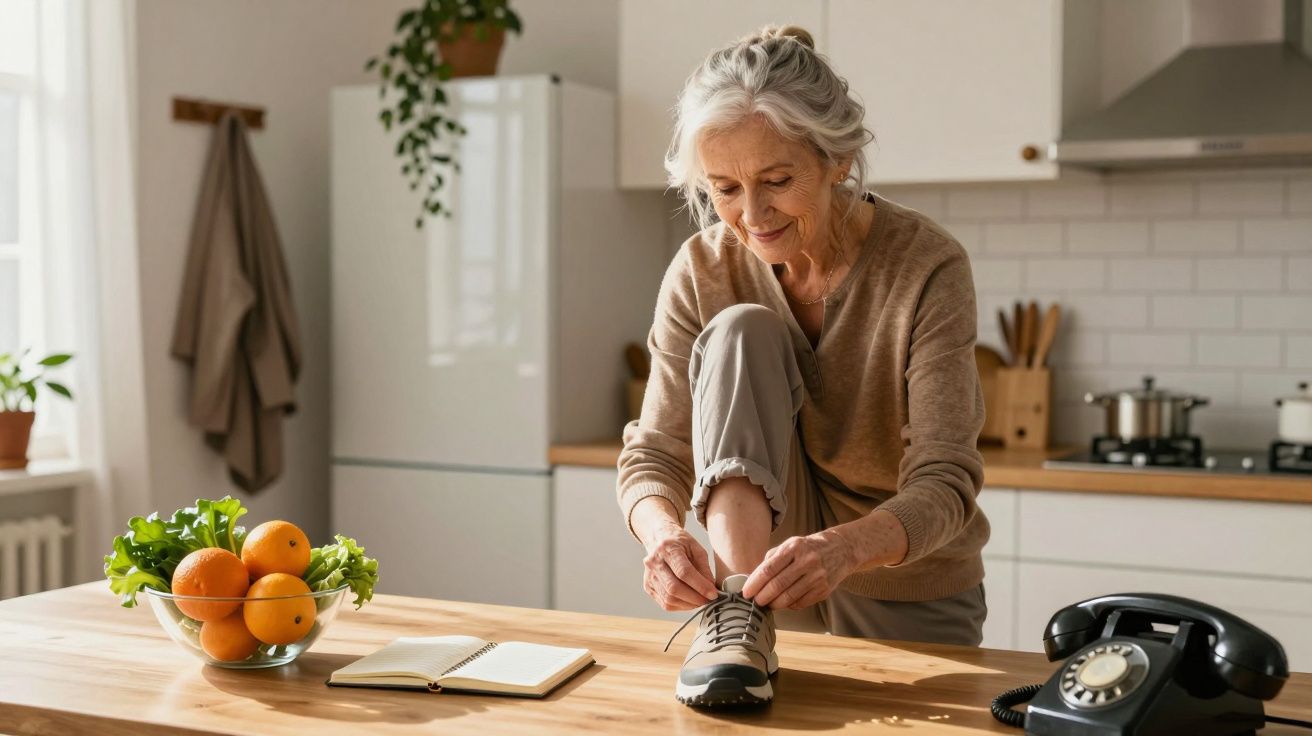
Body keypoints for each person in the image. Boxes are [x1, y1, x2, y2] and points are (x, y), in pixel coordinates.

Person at [615, 24, 990, 708]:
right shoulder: (702, 268)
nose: (751, 215)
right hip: (762, 584)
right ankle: (735, 621)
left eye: (777, 181)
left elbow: (947, 479)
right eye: (723, 188)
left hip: (903, 581)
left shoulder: (927, 265)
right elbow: (653, 453)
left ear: (837, 159)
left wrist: (844, 550)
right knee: (740, 329)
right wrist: (663, 535)